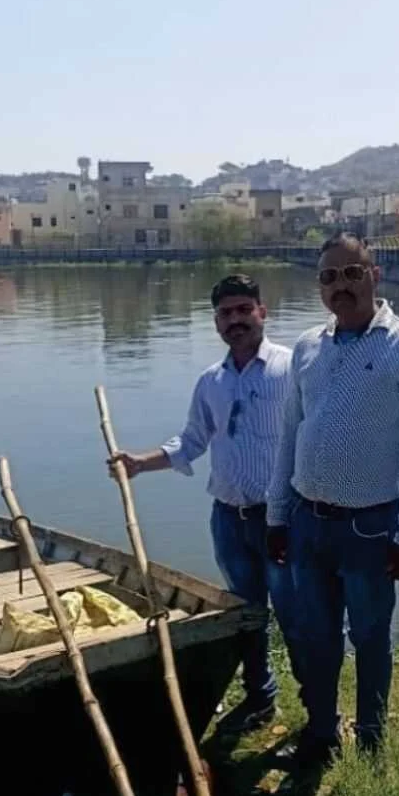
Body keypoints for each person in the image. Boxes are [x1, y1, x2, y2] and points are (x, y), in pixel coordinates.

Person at [266, 233, 399, 764]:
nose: (340, 286)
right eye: (329, 277)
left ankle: (370, 744)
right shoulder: (307, 347)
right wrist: (278, 516)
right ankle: (322, 734)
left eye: (351, 273)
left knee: (369, 638)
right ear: (319, 286)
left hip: (370, 527)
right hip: (307, 522)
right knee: (316, 636)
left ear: (375, 275)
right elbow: (290, 436)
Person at [110, 273, 298, 734]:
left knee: (298, 613)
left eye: (243, 310)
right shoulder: (211, 381)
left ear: (262, 312)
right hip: (229, 519)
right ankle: (260, 698)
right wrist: (140, 463)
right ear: (215, 322)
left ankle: (319, 712)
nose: (235, 320)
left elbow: (316, 435)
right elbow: (193, 439)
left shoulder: (294, 369)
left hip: (282, 520)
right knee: (246, 616)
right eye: (225, 313)